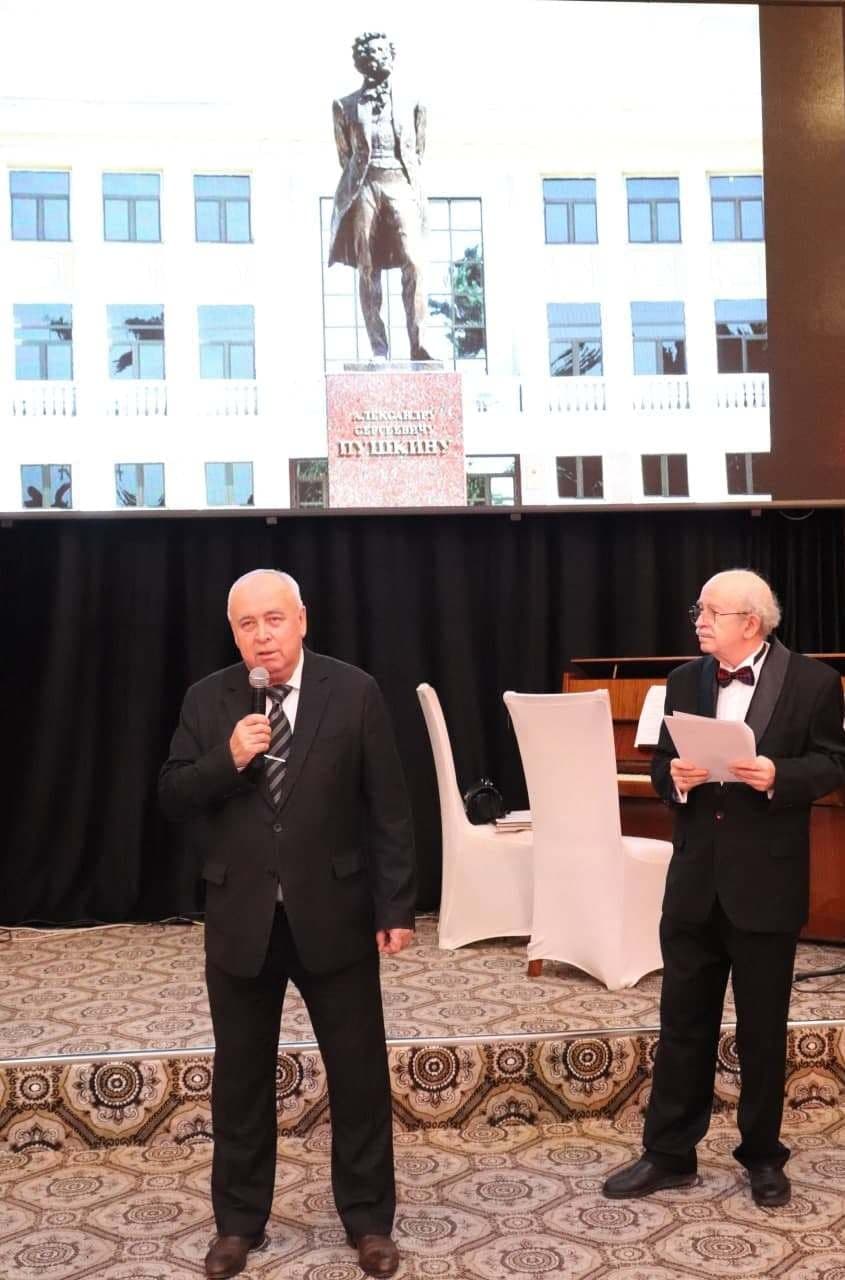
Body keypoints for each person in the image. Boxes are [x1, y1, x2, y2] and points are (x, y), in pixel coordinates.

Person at [159, 570, 415, 1279]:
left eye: (274, 619)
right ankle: (238, 1224)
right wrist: (229, 758)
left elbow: (389, 808)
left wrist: (395, 906)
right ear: (233, 632)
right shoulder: (207, 699)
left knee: (358, 1075)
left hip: (336, 913)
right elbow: (174, 794)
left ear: (301, 619)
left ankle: (368, 1220)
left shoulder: (353, 691)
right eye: (247, 624)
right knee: (241, 1079)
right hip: (241, 920)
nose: (262, 636)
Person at [603, 568, 845, 1207]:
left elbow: (832, 763)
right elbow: (660, 765)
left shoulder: (814, 682)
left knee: (762, 1029)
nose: (699, 622)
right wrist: (676, 780)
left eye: (711, 612)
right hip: (695, 881)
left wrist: (777, 774)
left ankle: (763, 1155)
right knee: (682, 1021)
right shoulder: (684, 680)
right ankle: (668, 1153)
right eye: (699, 611)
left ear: (751, 622)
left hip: (766, 883)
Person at [328, 31, 432, 361]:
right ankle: (379, 349)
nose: (382, 57)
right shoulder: (344, 106)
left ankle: (419, 345)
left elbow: (417, 152)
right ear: (362, 60)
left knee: (414, 261)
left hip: (400, 182)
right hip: (365, 186)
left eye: (386, 51)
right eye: (374, 52)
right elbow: (346, 156)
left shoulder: (414, 103)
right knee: (367, 266)